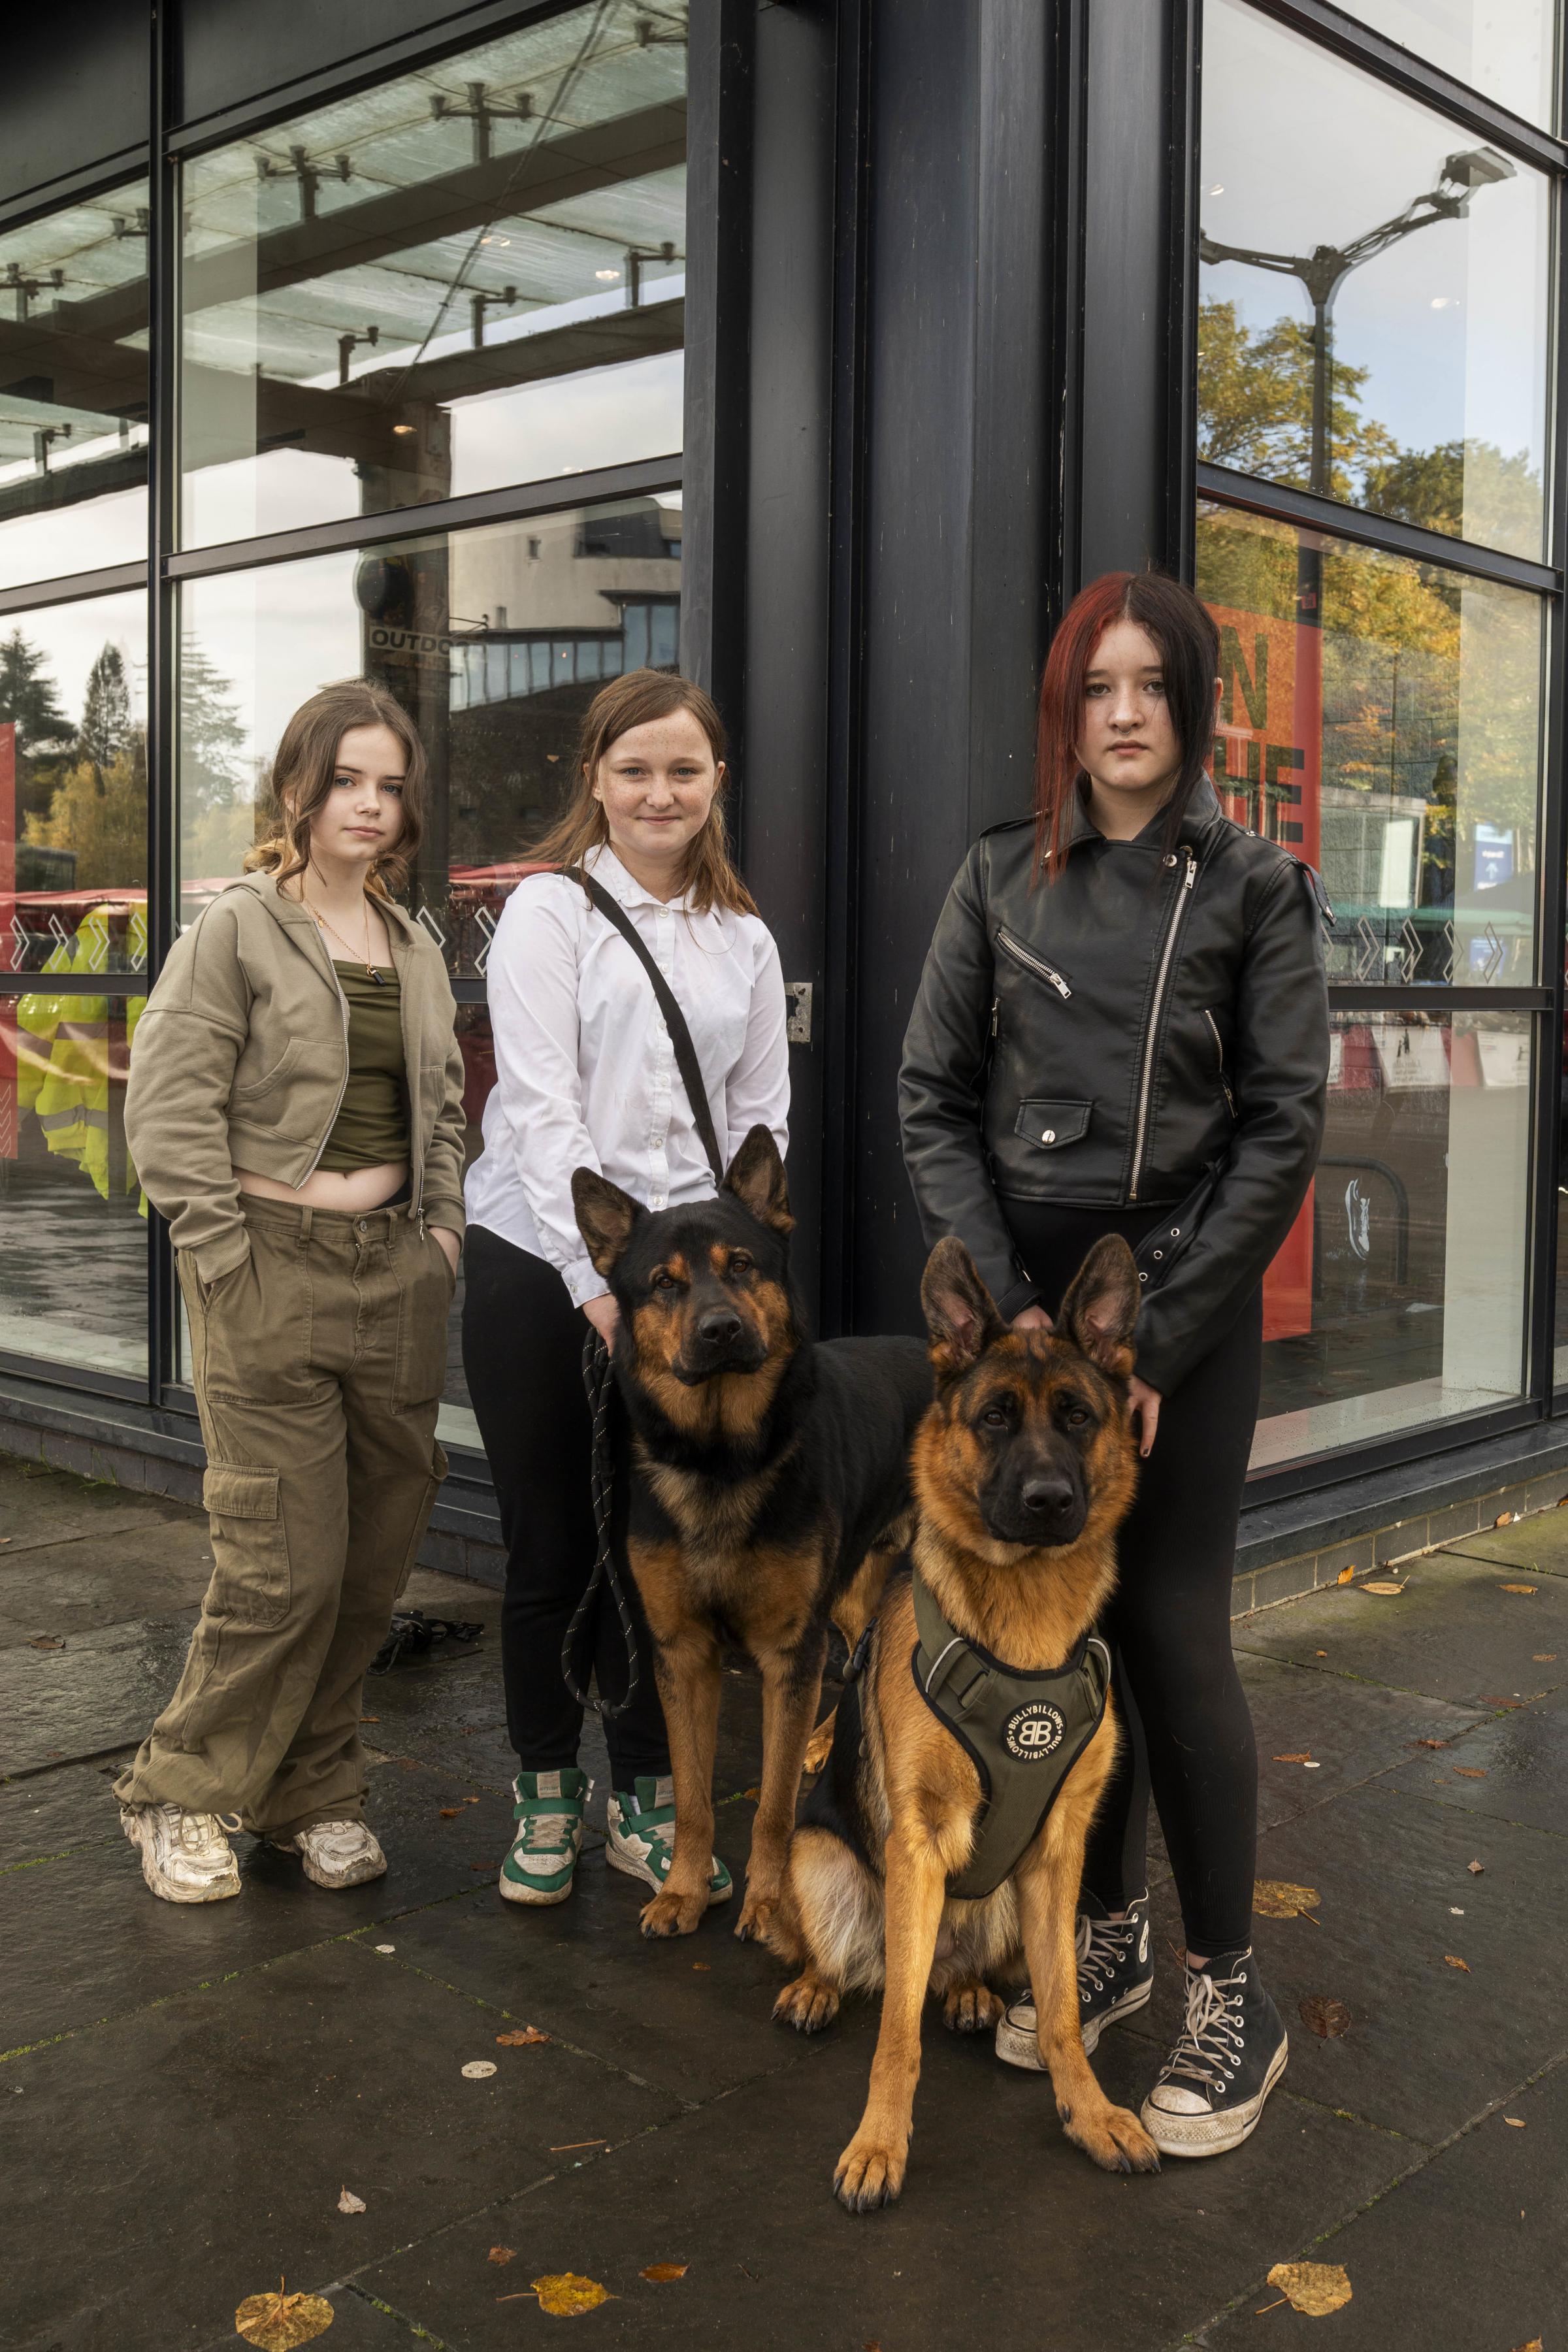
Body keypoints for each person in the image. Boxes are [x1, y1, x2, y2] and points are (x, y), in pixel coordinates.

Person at [899, 571, 1328, 2158]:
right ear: (1062, 709)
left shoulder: (1255, 887)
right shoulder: (999, 876)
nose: (1127, 714)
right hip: (1024, 1333)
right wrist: (1026, 1330)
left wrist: (1146, 1336)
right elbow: (931, 1095)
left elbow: (1283, 1126)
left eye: (1154, 685)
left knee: (1161, 1632)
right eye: (1099, 687)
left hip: (1174, 1320)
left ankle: (1232, 1989)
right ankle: (1110, 1924)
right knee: (1047, 1651)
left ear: (1194, 705)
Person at [114, 680, 466, 1903]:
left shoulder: (415, 942)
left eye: (390, 784)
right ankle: (177, 1791)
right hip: (269, 1265)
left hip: (394, 1278)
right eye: (347, 781)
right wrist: (223, 1254)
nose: (369, 806)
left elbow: (446, 1110)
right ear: (298, 789)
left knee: (369, 1569)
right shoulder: (238, 930)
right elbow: (164, 1108)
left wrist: (443, 1233)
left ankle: (309, 1792)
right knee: (281, 1567)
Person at [463, 667, 789, 1911]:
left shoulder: (743, 939)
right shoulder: (550, 914)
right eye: (636, 769)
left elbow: (760, 1126)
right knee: (553, 1540)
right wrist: (595, 1289)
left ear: (716, 784)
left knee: (666, 1545)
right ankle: (546, 1790)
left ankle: (648, 1793)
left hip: (683, 1286)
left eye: (685, 770)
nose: (661, 792)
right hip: (540, 1266)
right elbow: (540, 1112)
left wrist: (713, 1284)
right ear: (595, 777)